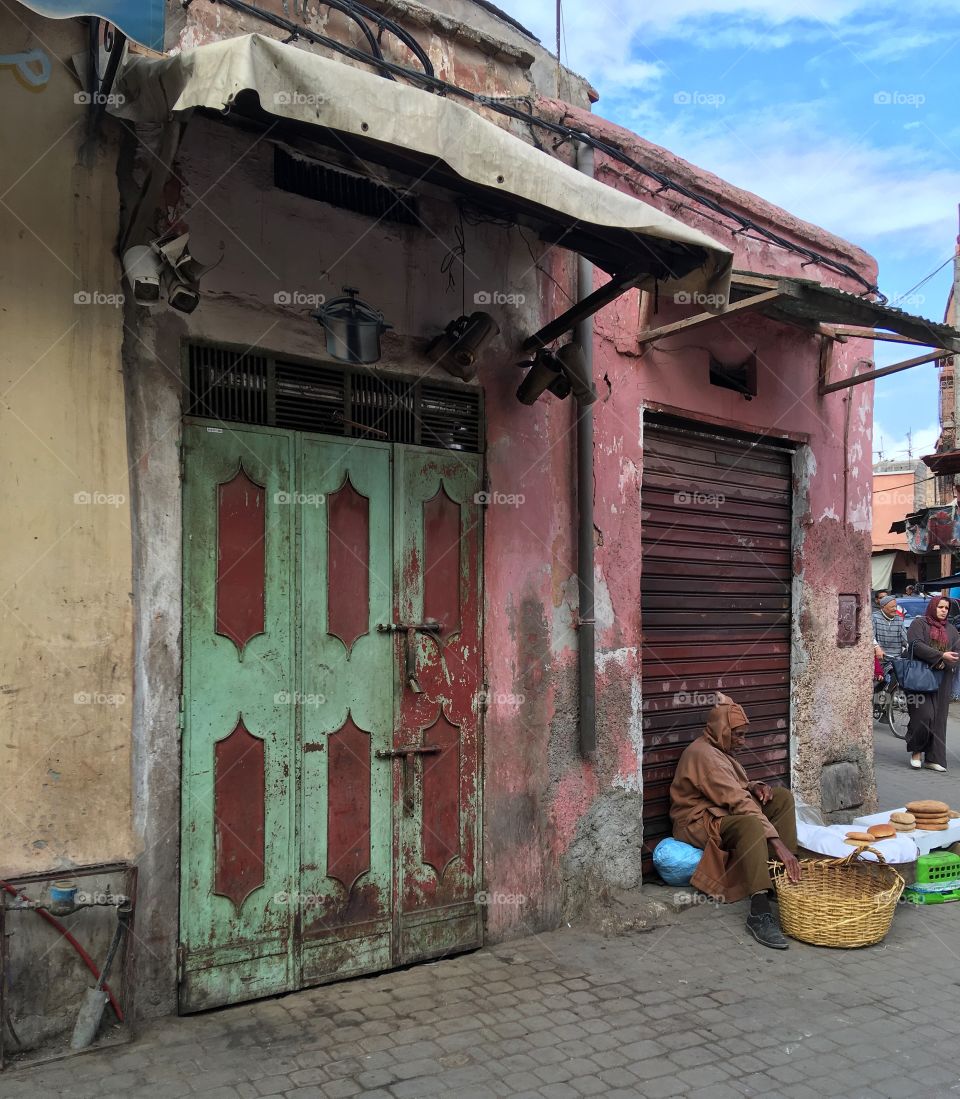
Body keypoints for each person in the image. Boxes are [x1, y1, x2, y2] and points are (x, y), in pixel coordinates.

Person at [669, 694, 801, 950]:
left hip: (720, 809)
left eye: (744, 735)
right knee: (751, 824)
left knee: (782, 798)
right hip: (696, 822)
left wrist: (754, 785)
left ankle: (782, 881)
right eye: (738, 735)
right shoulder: (703, 754)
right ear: (722, 730)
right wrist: (777, 844)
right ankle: (759, 911)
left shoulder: (718, 748)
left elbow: (734, 787)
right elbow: (737, 800)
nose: (742, 742)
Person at [905, 596, 960, 772]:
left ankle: (933, 758)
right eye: (940, 607)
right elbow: (915, 645)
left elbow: (957, 652)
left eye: (946, 608)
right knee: (924, 715)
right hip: (919, 677)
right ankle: (916, 751)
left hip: (942, 679)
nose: (944, 610)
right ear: (932, 607)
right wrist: (940, 656)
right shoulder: (919, 624)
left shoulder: (951, 630)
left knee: (939, 718)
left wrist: (946, 662)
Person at [873, 593, 907, 667]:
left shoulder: (899, 618)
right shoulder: (874, 617)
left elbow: (905, 638)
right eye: (892, 607)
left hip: (897, 658)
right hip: (880, 659)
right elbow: (870, 636)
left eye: (895, 606)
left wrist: (909, 646)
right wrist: (877, 648)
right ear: (883, 607)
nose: (895, 609)